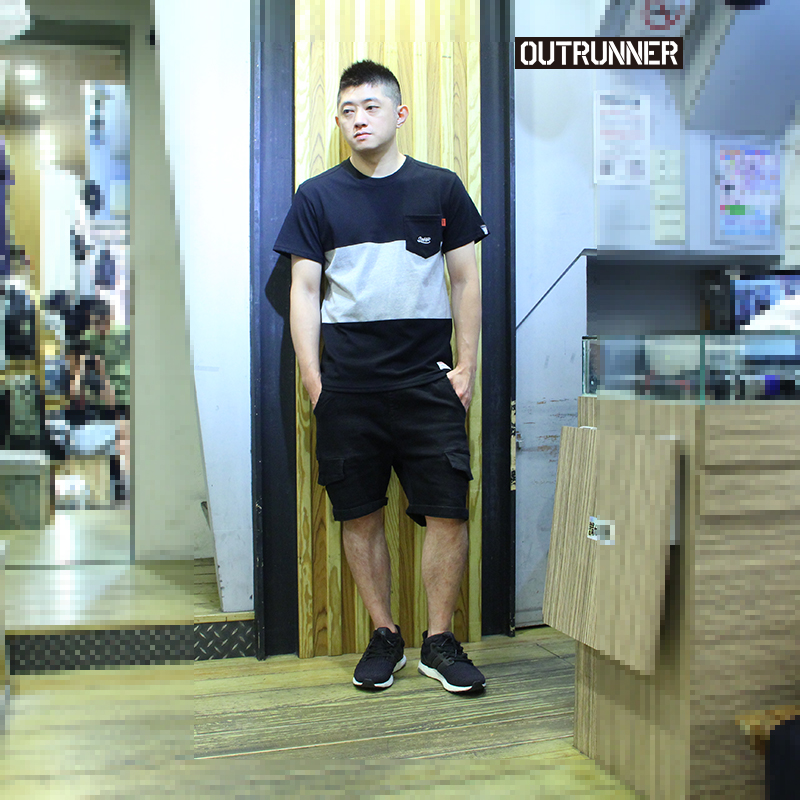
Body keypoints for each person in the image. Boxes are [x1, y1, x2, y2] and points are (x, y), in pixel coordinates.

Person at [274, 60, 489, 694]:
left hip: (429, 383)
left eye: (370, 107)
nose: (358, 119)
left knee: (448, 512)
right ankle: (385, 635)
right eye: (347, 111)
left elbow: (466, 280)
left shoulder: (441, 188)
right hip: (348, 390)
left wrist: (467, 368)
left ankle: (439, 642)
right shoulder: (317, 196)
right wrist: (314, 381)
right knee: (360, 515)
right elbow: (303, 290)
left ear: (399, 113)